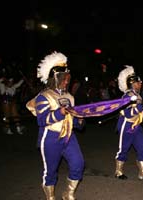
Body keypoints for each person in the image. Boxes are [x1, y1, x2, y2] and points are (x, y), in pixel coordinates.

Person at [26, 51, 85, 200]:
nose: (67, 81)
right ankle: (50, 198)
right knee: (50, 171)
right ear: (55, 78)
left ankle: (68, 194)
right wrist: (60, 112)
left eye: (68, 78)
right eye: (64, 78)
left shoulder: (70, 97)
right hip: (51, 137)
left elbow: (73, 120)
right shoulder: (43, 96)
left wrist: (79, 120)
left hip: (69, 136)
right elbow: (42, 120)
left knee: (78, 164)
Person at [115, 65, 143, 180]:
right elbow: (128, 113)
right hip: (126, 125)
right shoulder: (127, 96)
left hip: (137, 125)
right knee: (123, 149)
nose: (140, 84)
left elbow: (140, 112)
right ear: (132, 84)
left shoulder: (137, 95)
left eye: (140, 82)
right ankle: (118, 172)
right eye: (138, 82)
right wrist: (140, 107)